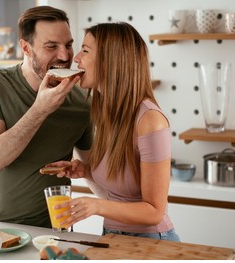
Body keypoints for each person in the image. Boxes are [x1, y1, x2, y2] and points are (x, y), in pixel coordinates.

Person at [45, 22, 180, 241]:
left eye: (85, 50)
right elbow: (124, 187)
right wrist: (86, 171)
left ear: (111, 60)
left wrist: (97, 206)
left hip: (151, 242)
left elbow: (154, 211)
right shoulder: (108, 113)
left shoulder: (150, 121)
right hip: (112, 237)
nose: (76, 58)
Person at [0, 6, 93, 228]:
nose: (65, 56)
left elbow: (93, 170)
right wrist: (40, 109)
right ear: (25, 47)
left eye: (68, 45)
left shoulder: (82, 101)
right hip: (0, 231)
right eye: (51, 47)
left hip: (57, 230)